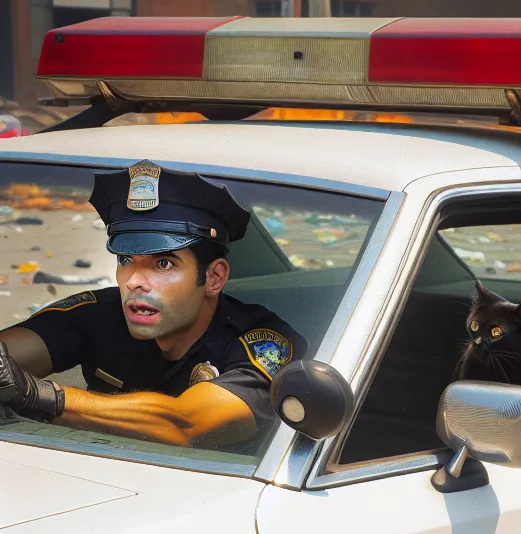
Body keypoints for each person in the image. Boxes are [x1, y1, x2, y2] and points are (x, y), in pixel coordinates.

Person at [0, 161, 306, 449]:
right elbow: (10, 354)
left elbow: (186, 425)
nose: (135, 281)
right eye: (126, 260)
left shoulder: (263, 342)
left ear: (214, 278)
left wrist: (36, 395)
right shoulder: (99, 313)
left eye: (162, 263)